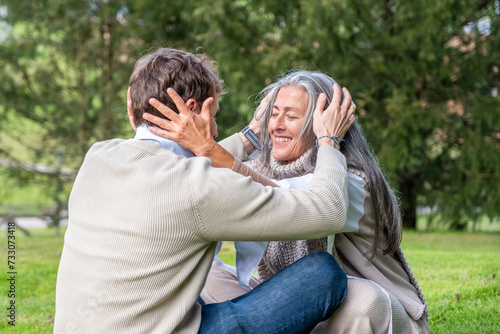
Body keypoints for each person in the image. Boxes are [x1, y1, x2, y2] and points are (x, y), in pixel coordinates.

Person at [54, 48, 357, 334]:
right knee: (321, 274)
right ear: (193, 111)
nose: (214, 129)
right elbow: (327, 211)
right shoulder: (198, 187)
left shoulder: (99, 157)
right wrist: (328, 140)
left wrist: (248, 136)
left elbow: (179, 161)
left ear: (133, 110)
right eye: (215, 115)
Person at [145, 70, 430, 333]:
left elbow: (290, 200)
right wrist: (250, 134)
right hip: (295, 300)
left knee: (362, 299)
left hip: (359, 311)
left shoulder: (349, 179)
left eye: (291, 117)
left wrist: (328, 140)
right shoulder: (261, 166)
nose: (277, 125)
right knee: (199, 270)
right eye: (274, 114)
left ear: (320, 124)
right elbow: (189, 183)